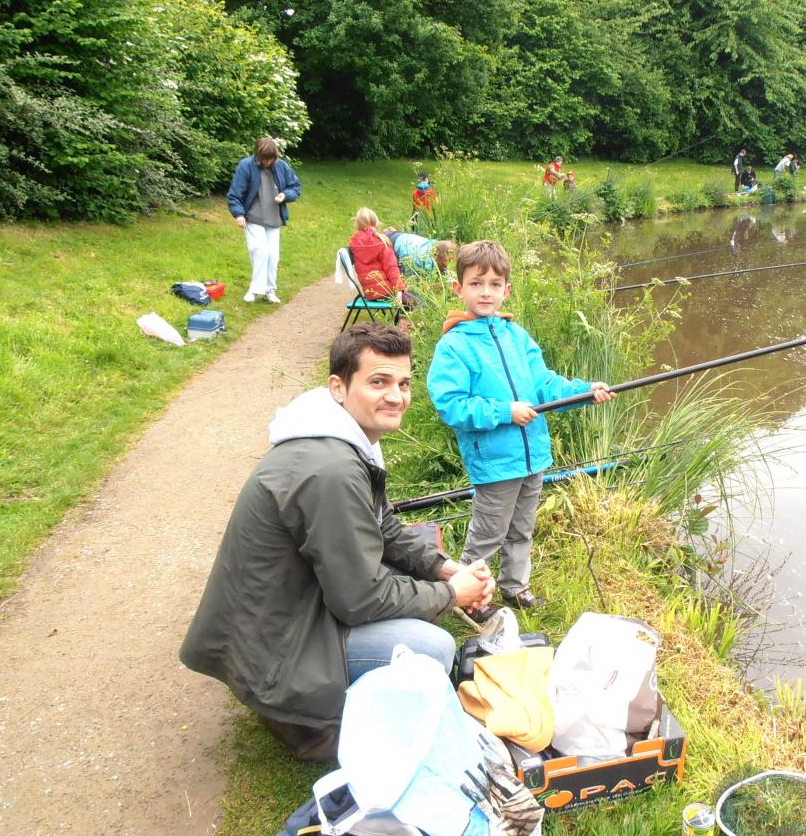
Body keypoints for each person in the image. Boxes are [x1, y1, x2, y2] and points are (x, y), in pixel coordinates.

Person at [179, 324, 496, 763]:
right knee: (432, 647)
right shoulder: (331, 468)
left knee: (416, 586)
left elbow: (383, 528)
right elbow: (360, 599)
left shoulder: (339, 437)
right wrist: (449, 595)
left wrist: (443, 568)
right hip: (279, 656)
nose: (396, 397)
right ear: (338, 386)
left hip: (281, 622)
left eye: (403, 384)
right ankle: (312, 720)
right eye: (378, 382)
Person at [427, 240, 616, 609]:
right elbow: (451, 405)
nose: (486, 292)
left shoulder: (516, 336)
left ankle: (515, 586)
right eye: (476, 283)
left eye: (495, 284)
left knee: (521, 530)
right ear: (458, 288)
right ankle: (469, 598)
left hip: (533, 457)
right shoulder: (454, 346)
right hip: (495, 461)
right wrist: (504, 411)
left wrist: (584, 391)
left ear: (506, 290)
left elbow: (545, 385)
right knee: (487, 535)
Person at [227, 137, 301, 304]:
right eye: (265, 159)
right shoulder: (246, 166)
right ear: (258, 156)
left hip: (274, 219)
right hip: (253, 217)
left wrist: (286, 195)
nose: (268, 162)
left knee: (273, 256)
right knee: (260, 252)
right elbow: (234, 194)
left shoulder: (281, 166)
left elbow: (295, 187)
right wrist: (238, 214)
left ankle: (270, 290)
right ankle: (254, 290)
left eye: (271, 159)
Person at [348, 208, 407, 302]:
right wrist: (399, 290)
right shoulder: (382, 241)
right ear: (376, 222)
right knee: (417, 301)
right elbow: (391, 268)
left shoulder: (354, 242)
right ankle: (401, 317)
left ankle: (399, 316)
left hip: (370, 294)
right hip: (386, 291)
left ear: (358, 224)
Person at [386, 229, 457, 279]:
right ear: (436, 257)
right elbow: (409, 279)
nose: (447, 268)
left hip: (406, 238)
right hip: (392, 242)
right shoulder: (416, 260)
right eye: (445, 265)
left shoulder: (435, 248)